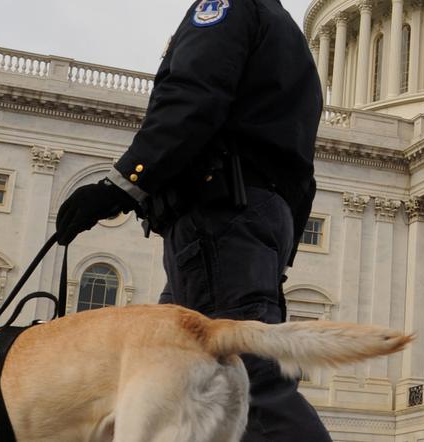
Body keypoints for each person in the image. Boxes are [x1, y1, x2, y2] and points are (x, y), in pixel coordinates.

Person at [55, 0, 328, 440]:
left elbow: (191, 98)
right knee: (169, 376)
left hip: (219, 222)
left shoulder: (228, 7)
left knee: (244, 377)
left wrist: (121, 184)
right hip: (248, 222)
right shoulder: (286, 32)